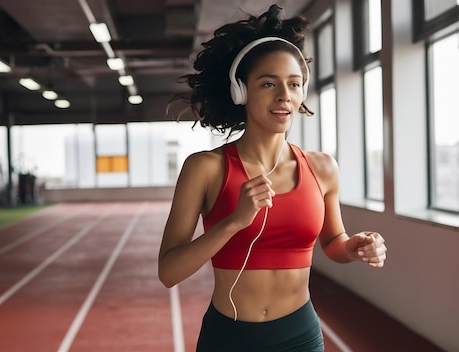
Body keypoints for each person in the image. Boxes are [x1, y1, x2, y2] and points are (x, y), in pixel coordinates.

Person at [158, 4, 387, 352]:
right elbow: (169, 272)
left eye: (294, 84)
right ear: (241, 91)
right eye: (268, 83)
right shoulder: (205, 168)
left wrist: (352, 248)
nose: (284, 96)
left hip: (300, 337)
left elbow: (333, 242)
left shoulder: (322, 168)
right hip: (228, 339)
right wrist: (233, 222)